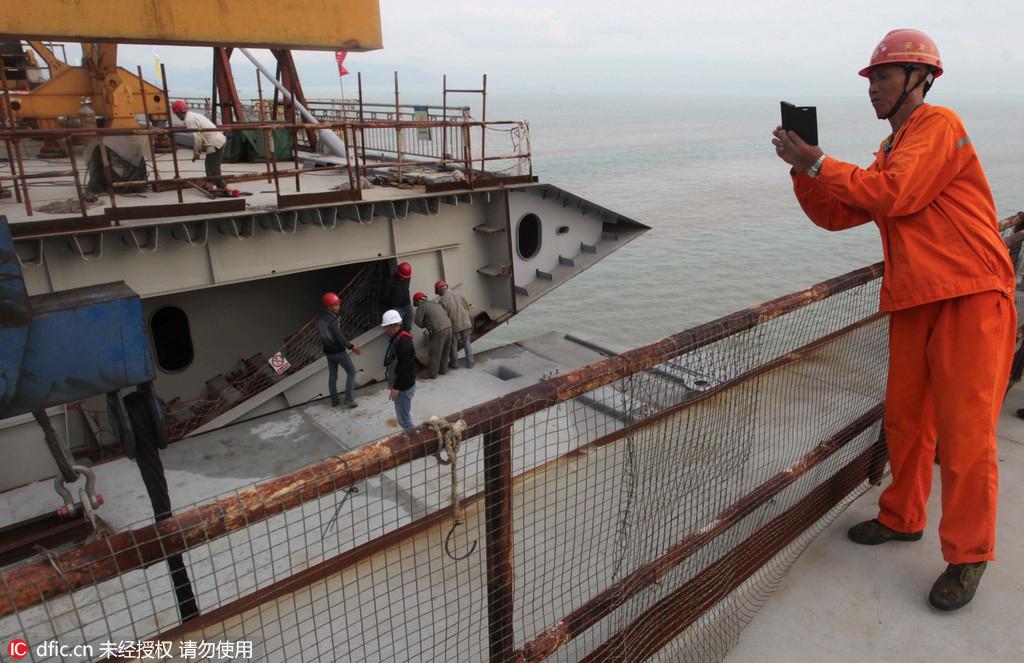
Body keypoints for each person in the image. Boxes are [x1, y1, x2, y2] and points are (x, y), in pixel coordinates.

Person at [771, 29, 1016, 611]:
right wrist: (804, 169)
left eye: (882, 76)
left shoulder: (938, 126)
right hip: (915, 299)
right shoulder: (892, 151)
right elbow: (837, 213)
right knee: (907, 421)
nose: (872, 87)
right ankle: (903, 516)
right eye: (872, 78)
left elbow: (895, 194)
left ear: (918, 78)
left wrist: (821, 162)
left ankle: (968, 554)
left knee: (965, 433)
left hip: (970, 294)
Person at [316, 292, 361, 408]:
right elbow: (339, 337)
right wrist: (351, 346)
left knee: (333, 376)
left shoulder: (321, 318)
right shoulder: (332, 320)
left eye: (338, 304)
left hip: (328, 352)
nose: (338, 307)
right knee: (351, 372)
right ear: (329, 306)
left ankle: (334, 400)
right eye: (335, 305)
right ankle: (349, 399)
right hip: (338, 352)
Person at [172, 100, 227, 192]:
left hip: (214, 142)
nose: (177, 117)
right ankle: (213, 184)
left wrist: (196, 153)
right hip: (218, 139)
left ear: (180, 112)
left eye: (177, 114)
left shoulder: (189, 120)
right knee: (210, 165)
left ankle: (222, 187)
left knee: (213, 167)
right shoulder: (193, 115)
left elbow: (197, 138)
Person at [382, 309, 416, 429]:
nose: (385, 330)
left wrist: (397, 387)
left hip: (404, 387)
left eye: (386, 327)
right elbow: (394, 363)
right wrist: (392, 383)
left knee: (404, 420)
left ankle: (414, 441)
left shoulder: (404, 342)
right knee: (403, 416)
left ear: (393, 325)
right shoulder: (397, 338)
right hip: (401, 385)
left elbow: (404, 368)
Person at [412, 292, 452, 379]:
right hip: (449, 327)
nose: (417, 306)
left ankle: (432, 374)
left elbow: (418, 321)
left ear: (418, 300)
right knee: (445, 351)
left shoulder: (422, 306)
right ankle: (443, 370)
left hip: (438, 330)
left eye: (416, 304)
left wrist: (425, 325)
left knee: (434, 352)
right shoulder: (435, 303)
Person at [436, 280, 474, 369]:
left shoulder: (442, 301)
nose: (439, 295)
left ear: (440, 289)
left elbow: (443, 317)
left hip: (454, 325)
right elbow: (467, 306)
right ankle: (470, 363)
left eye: (438, 292)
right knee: (467, 342)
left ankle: (455, 364)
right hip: (465, 322)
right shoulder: (459, 293)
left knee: (453, 345)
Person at [382, 261, 414, 332]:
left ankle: (406, 339)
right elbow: (385, 296)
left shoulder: (407, 277)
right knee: (397, 330)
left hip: (407, 305)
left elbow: (406, 288)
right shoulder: (390, 282)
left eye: (404, 277)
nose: (403, 278)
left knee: (408, 326)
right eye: (402, 277)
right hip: (396, 308)